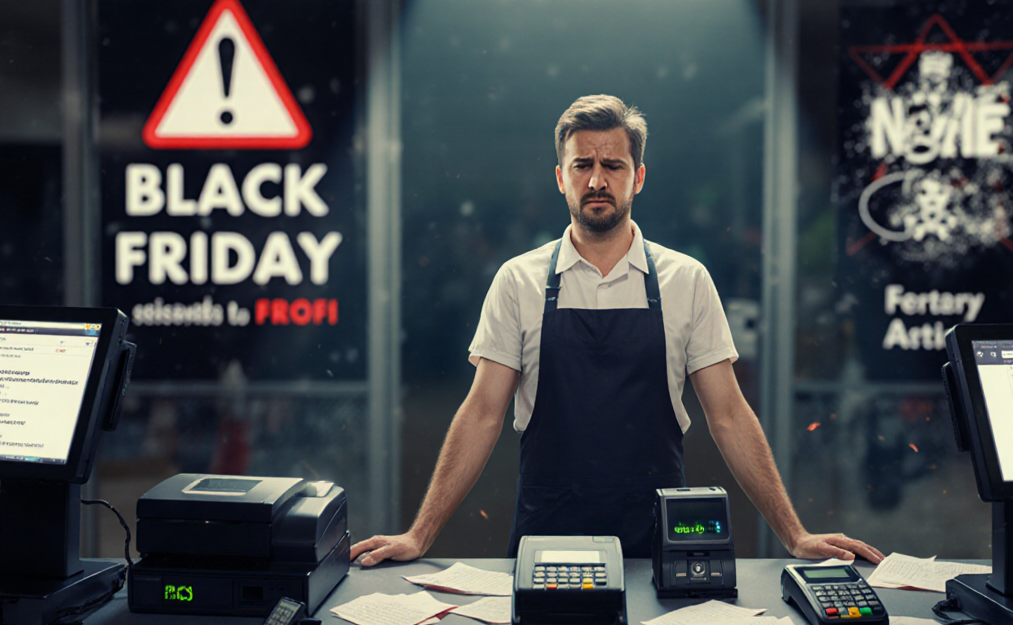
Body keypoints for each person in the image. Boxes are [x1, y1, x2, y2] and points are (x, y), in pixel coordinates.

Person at [351, 94, 884, 565]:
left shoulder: (685, 280)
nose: (597, 180)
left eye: (614, 165)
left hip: (660, 544)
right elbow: (483, 413)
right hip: (547, 541)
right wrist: (420, 535)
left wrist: (794, 535)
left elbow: (728, 414)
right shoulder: (519, 281)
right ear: (561, 177)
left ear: (639, 176)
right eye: (582, 165)